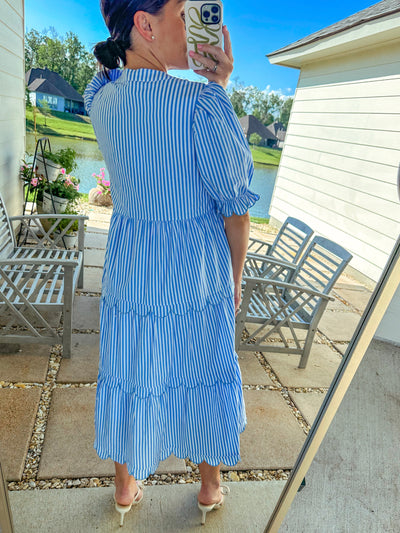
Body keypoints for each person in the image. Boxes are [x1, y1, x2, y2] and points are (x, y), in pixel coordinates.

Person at [84, 0, 260, 526]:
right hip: (193, 269)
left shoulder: (102, 98)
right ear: (145, 23)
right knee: (203, 369)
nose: (191, 27)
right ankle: (208, 489)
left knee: (129, 366)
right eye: (183, 14)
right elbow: (236, 209)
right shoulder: (200, 105)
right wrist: (219, 87)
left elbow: (106, 71)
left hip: (132, 267)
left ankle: (124, 487)